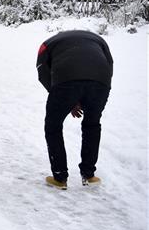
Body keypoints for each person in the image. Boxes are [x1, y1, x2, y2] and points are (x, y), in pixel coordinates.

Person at [37, 30, 113, 190]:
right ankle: (89, 175)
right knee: (92, 124)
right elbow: (109, 64)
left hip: (65, 80)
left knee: (53, 126)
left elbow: (43, 72)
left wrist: (63, 96)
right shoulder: (98, 39)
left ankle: (60, 177)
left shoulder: (47, 44)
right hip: (100, 80)